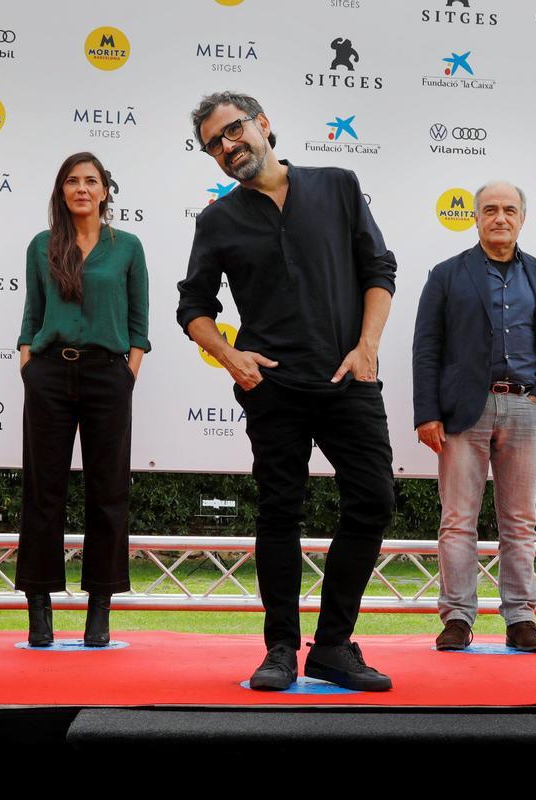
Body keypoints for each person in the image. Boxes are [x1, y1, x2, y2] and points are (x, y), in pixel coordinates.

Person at [178, 91, 397, 691]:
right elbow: (193, 307)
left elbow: (379, 269)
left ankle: (332, 646)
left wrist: (367, 346)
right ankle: (279, 647)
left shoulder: (338, 185)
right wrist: (229, 356)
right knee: (280, 511)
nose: (227, 148)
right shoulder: (217, 220)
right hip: (272, 387)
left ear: (263, 124)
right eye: (213, 145)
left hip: (348, 378)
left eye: (233, 132)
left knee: (374, 499)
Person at [412, 181, 536, 652]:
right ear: (475, 217)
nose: (500, 218)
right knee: (457, 519)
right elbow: (426, 348)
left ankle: (521, 617)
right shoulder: (446, 275)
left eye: (509, 210)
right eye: (490, 210)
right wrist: (427, 413)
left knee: (520, 521)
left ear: (523, 217)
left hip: (526, 407)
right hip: (463, 411)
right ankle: (457, 618)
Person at [15, 152, 149, 648]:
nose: (82, 189)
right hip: (49, 373)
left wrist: (128, 371)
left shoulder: (127, 247)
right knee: (42, 490)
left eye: (91, 181)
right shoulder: (42, 245)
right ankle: (39, 606)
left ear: (105, 191)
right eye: (72, 181)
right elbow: (32, 314)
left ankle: (100, 606)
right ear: (61, 190)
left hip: (108, 375)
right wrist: (29, 363)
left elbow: (139, 322)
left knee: (108, 491)